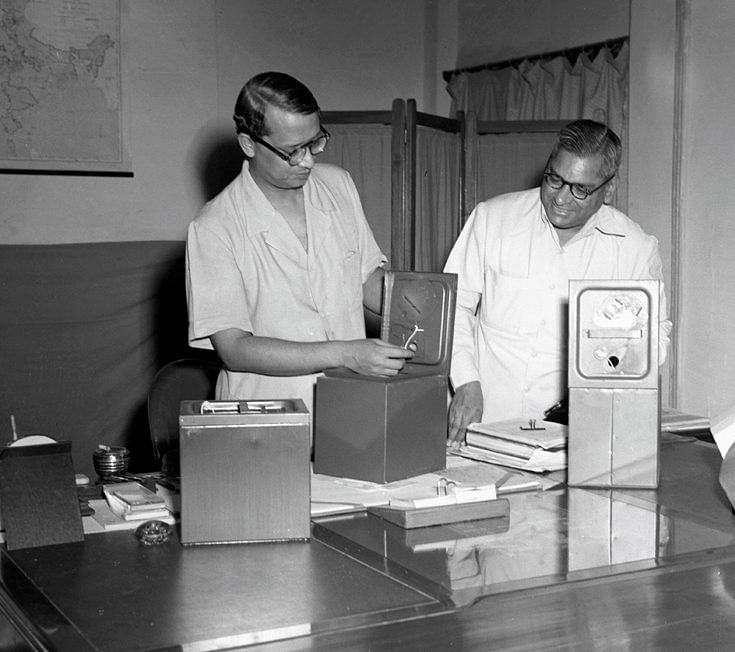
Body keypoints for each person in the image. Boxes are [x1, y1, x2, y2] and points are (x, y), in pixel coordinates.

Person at [186, 72, 412, 416]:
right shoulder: (214, 227)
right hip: (266, 416)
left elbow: (367, 281)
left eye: (315, 143)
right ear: (249, 144)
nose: (308, 160)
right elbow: (235, 348)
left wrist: (433, 301)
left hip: (347, 405)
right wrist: (346, 353)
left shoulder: (338, 185)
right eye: (293, 151)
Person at [443, 119, 671, 446]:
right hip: (481, 420)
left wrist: (610, 371)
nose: (561, 198)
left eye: (580, 189)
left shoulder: (634, 248)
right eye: (554, 179)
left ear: (609, 189)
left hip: (571, 436)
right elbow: (453, 306)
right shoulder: (493, 218)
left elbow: (655, 335)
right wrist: (465, 382)